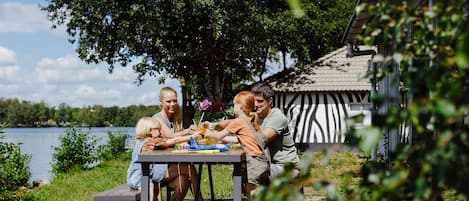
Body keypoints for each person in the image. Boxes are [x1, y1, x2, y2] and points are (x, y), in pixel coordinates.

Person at [202, 91, 269, 200]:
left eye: (234, 104)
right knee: (250, 190)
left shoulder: (238, 121)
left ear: (240, 106)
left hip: (254, 162)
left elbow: (219, 135)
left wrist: (207, 133)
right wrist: (217, 137)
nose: (233, 107)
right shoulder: (249, 119)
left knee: (252, 194)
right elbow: (237, 138)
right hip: (261, 160)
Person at [126, 117, 202, 201]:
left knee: (184, 177)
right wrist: (192, 137)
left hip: (145, 174)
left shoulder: (141, 141)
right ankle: (199, 199)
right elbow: (173, 140)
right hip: (140, 177)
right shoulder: (151, 141)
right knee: (150, 189)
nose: (160, 132)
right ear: (149, 131)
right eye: (158, 129)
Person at [152, 86, 203, 201]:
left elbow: (176, 139)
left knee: (183, 182)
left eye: (175, 101)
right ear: (161, 102)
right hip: (156, 169)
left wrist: (185, 140)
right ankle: (199, 199)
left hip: (169, 167)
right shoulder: (157, 119)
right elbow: (171, 136)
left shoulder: (174, 119)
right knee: (189, 168)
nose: (173, 104)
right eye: (168, 101)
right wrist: (188, 132)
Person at [251, 83, 300, 179]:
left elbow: (262, 138)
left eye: (260, 101)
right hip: (271, 165)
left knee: (252, 172)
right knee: (241, 171)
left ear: (269, 101)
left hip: (287, 167)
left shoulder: (277, 117)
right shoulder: (258, 116)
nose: (256, 105)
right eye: (254, 101)